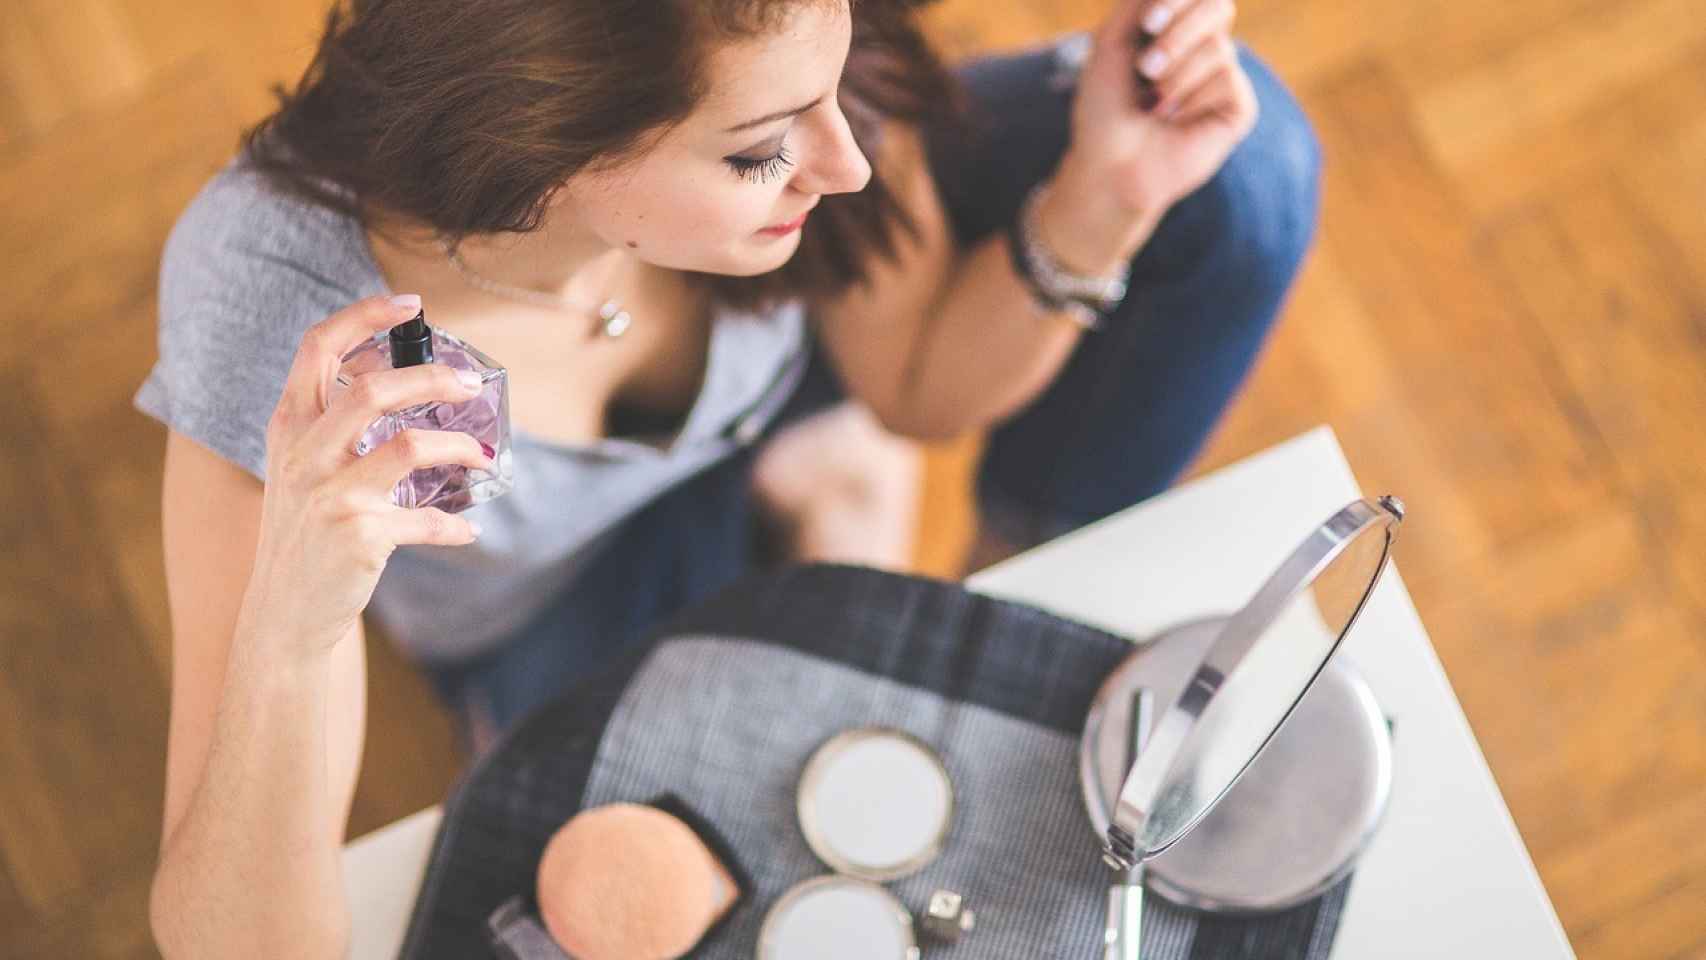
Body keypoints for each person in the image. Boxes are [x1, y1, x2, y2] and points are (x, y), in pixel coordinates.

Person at [138, 0, 1320, 953]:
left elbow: (915, 390)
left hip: (784, 401)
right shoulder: (309, 330)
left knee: (1243, 162)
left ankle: (982, 565)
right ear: (547, 158)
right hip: (563, 595)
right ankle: (833, 512)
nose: (848, 167)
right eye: (763, 152)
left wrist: (1101, 207)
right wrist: (289, 627)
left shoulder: (774, 44)